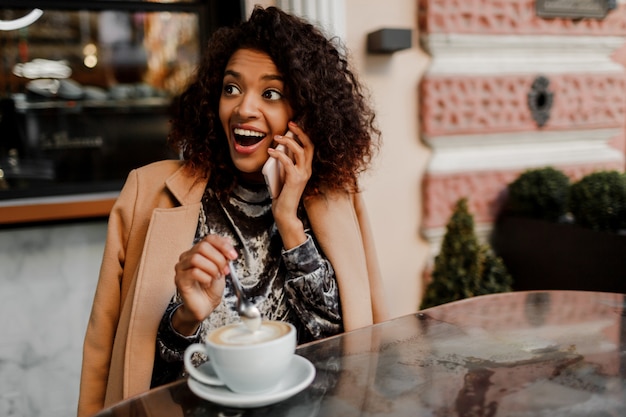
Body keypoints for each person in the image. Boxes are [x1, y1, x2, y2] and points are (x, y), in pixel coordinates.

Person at [78, 6, 388, 417]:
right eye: (231, 88)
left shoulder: (339, 199)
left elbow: (351, 348)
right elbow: (110, 357)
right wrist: (185, 318)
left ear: (304, 115)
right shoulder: (146, 193)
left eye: (271, 93)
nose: (244, 109)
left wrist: (289, 222)